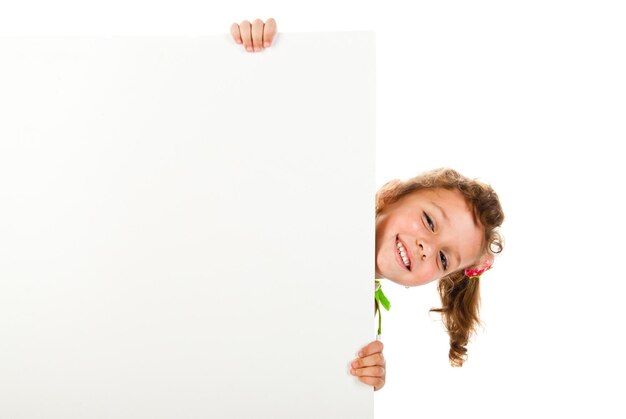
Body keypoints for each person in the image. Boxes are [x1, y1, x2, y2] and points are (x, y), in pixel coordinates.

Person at [229, 19, 506, 392]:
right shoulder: (316, 197)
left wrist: (356, 380)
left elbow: (286, 365)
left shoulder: (357, 313)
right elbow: (271, 145)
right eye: (428, 220)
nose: (427, 248)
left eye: (443, 259)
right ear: (390, 196)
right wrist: (261, 58)